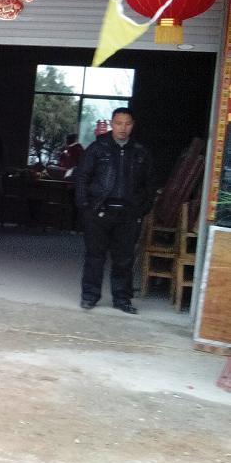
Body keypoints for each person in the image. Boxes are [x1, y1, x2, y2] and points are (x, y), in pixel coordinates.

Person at [74, 107, 155, 314]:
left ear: (132, 125)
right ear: (112, 124)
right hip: (99, 211)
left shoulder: (140, 152)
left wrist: (142, 209)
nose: (122, 128)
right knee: (95, 257)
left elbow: (150, 184)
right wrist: (84, 206)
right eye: (118, 123)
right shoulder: (97, 148)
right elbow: (82, 177)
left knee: (124, 259)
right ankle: (89, 296)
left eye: (127, 124)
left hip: (128, 214)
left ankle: (122, 299)